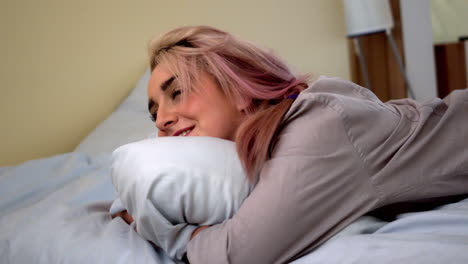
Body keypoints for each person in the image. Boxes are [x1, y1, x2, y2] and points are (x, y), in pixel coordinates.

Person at [114, 25, 468, 263]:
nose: (162, 119)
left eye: (177, 93)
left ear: (238, 87)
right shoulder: (280, 142)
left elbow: (237, 253)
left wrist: (152, 223)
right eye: (154, 113)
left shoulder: (317, 130)